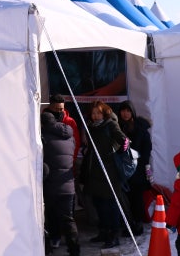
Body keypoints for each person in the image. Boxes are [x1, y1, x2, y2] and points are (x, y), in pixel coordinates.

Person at [79, 100, 129, 249]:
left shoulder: (110, 124)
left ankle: (114, 234)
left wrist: (114, 154)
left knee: (111, 204)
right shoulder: (91, 127)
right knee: (99, 204)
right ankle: (104, 231)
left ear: (104, 113)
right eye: (93, 113)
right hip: (95, 171)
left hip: (109, 171)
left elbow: (124, 141)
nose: (95, 116)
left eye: (98, 113)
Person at [41, 112, 81, 256]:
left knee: (48, 217)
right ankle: (75, 250)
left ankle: (49, 247)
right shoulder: (69, 135)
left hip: (50, 184)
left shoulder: (43, 137)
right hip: (68, 185)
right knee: (68, 219)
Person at [116, 100, 151, 235]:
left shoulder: (140, 129)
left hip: (137, 169)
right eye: (123, 110)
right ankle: (128, 225)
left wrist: (140, 165)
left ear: (132, 112)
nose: (125, 113)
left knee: (137, 198)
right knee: (126, 199)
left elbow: (146, 150)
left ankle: (138, 224)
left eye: (128, 111)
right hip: (122, 170)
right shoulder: (118, 127)